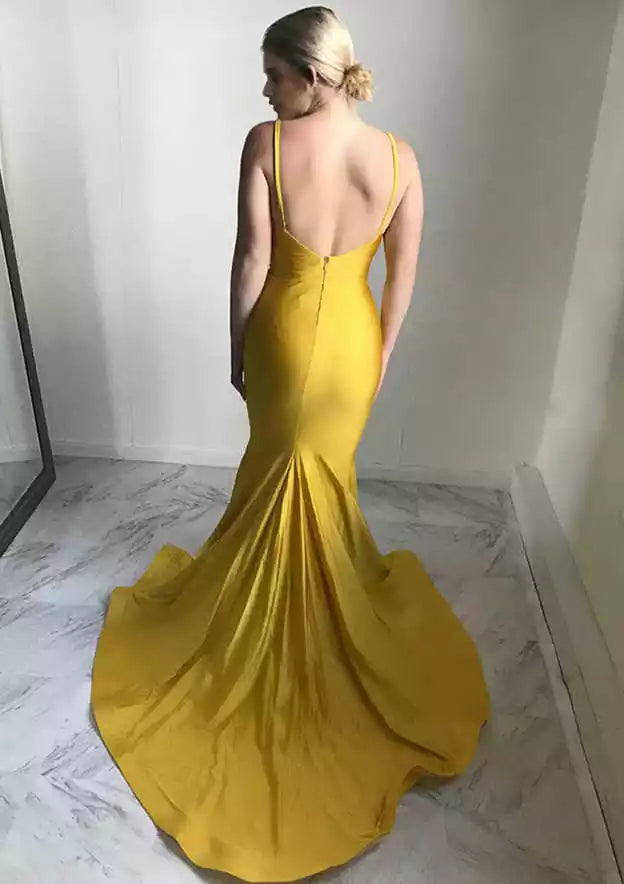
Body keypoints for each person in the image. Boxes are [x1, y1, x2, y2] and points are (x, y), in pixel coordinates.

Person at [91, 7, 490, 883]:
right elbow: (403, 274)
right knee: (323, 481)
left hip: (281, 339)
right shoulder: (400, 160)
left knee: (278, 475)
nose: (264, 89)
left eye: (273, 73)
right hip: (350, 347)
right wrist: (380, 355)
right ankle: (324, 614)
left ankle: (268, 635)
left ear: (311, 77)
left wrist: (236, 350)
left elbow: (251, 261)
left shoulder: (268, 145)